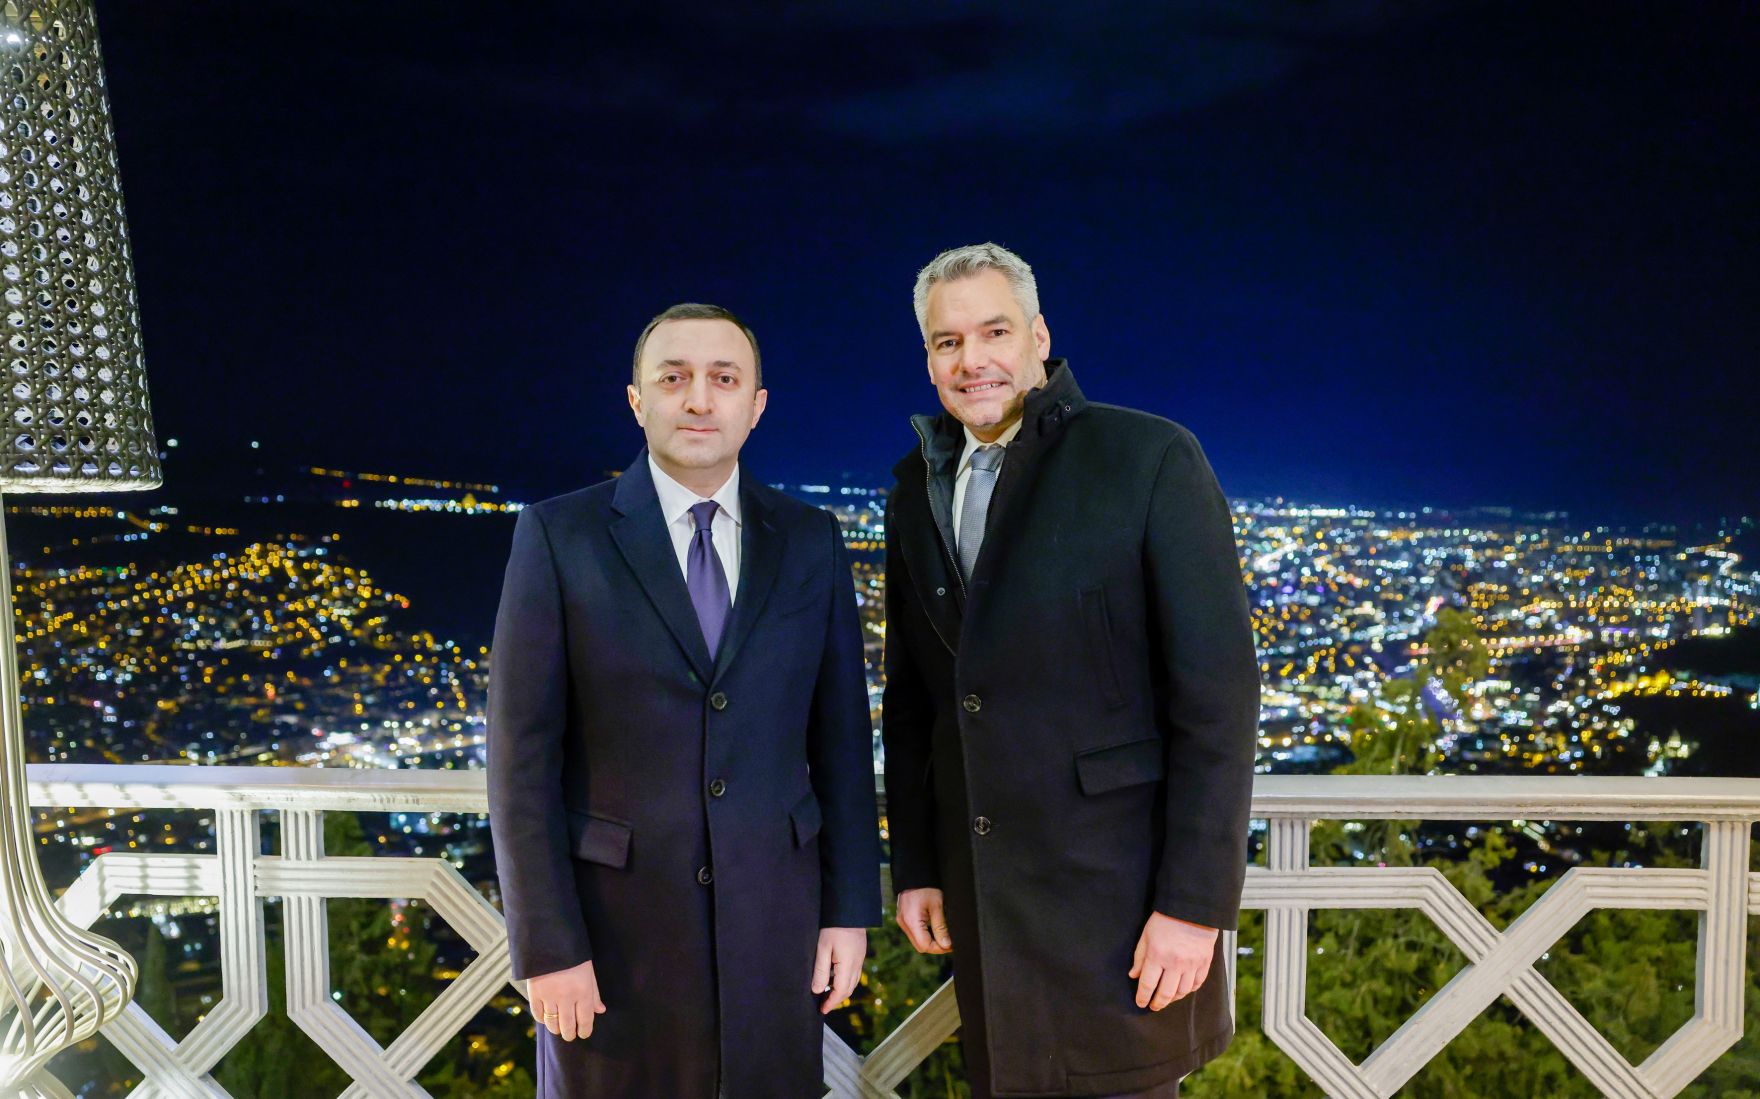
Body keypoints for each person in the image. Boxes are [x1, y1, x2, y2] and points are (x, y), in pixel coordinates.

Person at [881, 244, 1261, 1098]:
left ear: (1039, 335)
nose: (971, 359)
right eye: (947, 341)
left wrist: (1195, 905)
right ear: (929, 358)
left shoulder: (1148, 457)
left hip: (1119, 907)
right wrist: (916, 863)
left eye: (994, 330)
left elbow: (1219, 698)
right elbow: (914, 700)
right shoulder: (914, 486)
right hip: (984, 904)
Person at [486, 303, 881, 1098]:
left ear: (756, 404)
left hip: (777, 933)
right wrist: (547, 945)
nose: (699, 398)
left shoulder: (812, 539)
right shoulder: (560, 536)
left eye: (723, 379)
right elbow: (518, 760)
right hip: (612, 942)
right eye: (675, 378)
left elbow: (840, 739)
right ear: (637, 400)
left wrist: (848, 909)